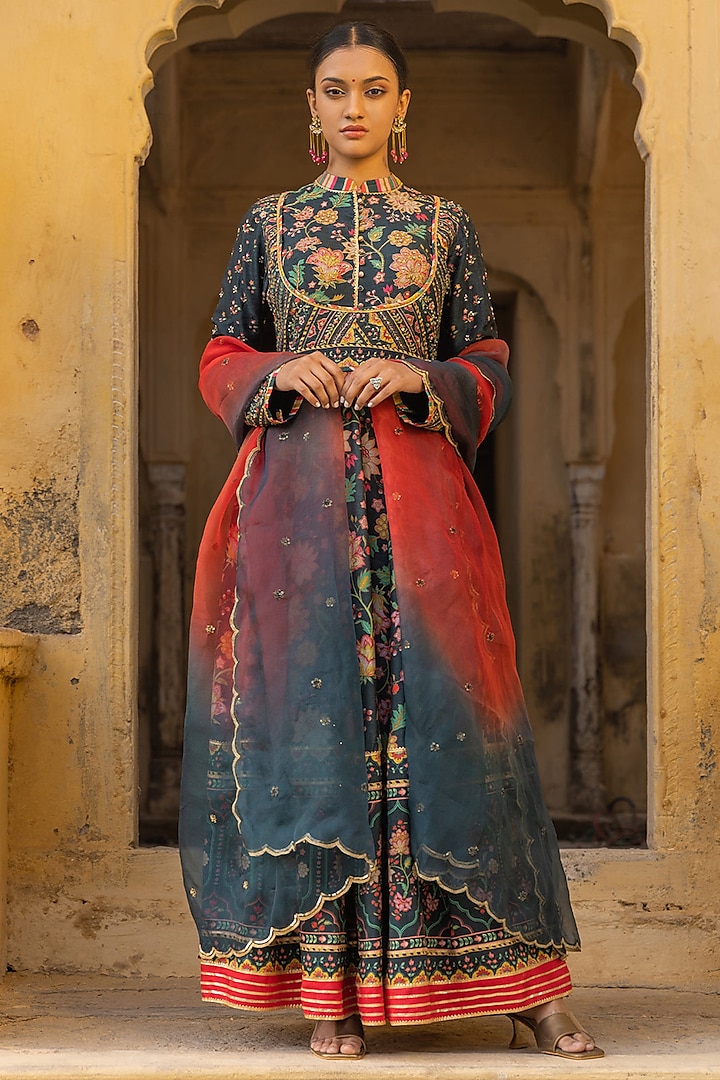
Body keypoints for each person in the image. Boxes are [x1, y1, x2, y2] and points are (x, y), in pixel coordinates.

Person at [179, 20, 603, 1062]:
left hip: (423, 511)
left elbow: (488, 359)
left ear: (403, 108)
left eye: (374, 89)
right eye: (336, 89)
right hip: (295, 518)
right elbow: (222, 351)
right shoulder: (269, 226)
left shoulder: (447, 227)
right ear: (311, 107)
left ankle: (529, 990)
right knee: (313, 736)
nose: (355, 106)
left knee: (462, 725)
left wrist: (427, 378)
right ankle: (328, 993)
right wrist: (279, 375)